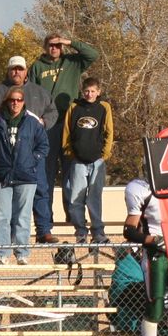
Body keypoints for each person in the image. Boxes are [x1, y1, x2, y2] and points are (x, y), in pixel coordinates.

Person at [0, 55, 59, 243]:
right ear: (8, 71)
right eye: (13, 69)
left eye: (20, 69)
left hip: (31, 157)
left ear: (26, 71)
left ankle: (43, 230)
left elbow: (53, 111)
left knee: (41, 190)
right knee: (5, 205)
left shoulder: (39, 92)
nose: (16, 72)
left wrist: (44, 122)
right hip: (5, 158)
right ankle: (6, 242)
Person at [28, 35, 98, 217]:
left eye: (58, 45)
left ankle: (72, 216)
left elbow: (92, 55)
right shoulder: (37, 66)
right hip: (47, 125)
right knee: (46, 172)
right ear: (45, 47)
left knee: (71, 173)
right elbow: (31, 93)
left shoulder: (72, 62)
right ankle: (46, 217)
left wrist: (70, 42)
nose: (54, 49)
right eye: (51, 45)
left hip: (69, 124)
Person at [0, 86, 49, 265]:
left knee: (23, 216)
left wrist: (32, 159)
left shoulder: (32, 122)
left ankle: (22, 252)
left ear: (23, 102)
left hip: (26, 175)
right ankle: (2, 253)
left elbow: (44, 146)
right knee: (1, 216)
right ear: (7, 101)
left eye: (18, 100)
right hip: (2, 174)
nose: (15, 103)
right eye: (12, 100)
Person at [122, 175, 168, 336]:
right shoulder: (141, 188)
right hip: (156, 254)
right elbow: (129, 230)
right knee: (155, 306)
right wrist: (152, 239)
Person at [62, 77, 113, 243]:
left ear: (98, 92)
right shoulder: (74, 107)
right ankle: (80, 231)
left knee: (94, 197)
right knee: (76, 197)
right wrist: (70, 152)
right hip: (78, 161)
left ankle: (98, 232)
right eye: (86, 91)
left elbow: (109, 132)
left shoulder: (104, 107)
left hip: (97, 161)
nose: (89, 94)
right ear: (82, 91)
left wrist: (104, 154)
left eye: (93, 91)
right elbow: (67, 132)